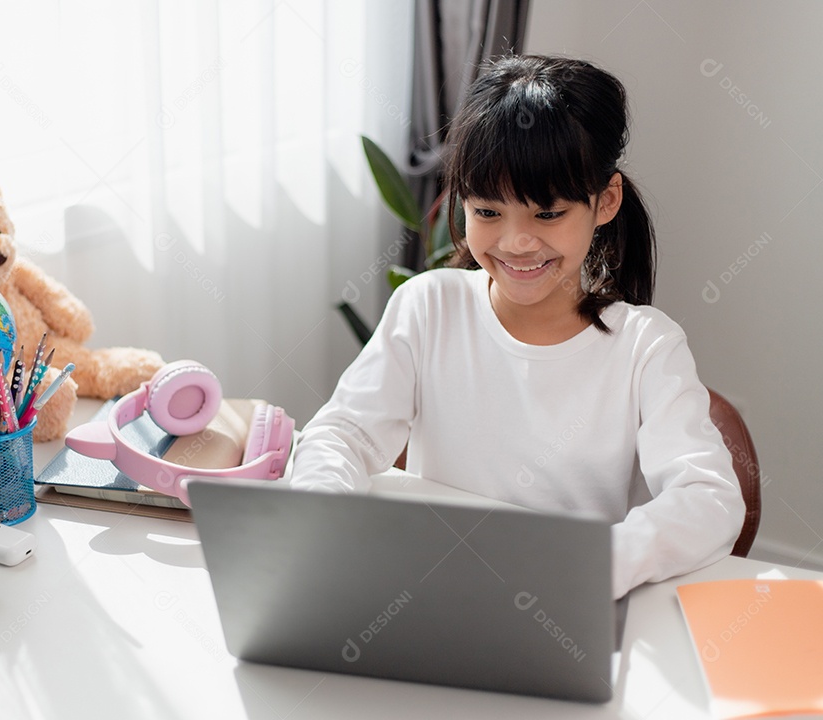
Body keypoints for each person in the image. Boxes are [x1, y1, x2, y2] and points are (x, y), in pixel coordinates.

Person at [289, 55, 745, 599]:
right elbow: (342, 434)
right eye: (486, 213)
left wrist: (598, 564)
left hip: (565, 603)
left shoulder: (646, 347)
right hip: (434, 589)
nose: (515, 242)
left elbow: (710, 499)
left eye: (547, 215)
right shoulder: (428, 306)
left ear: (605, 202)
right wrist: (324, 520)